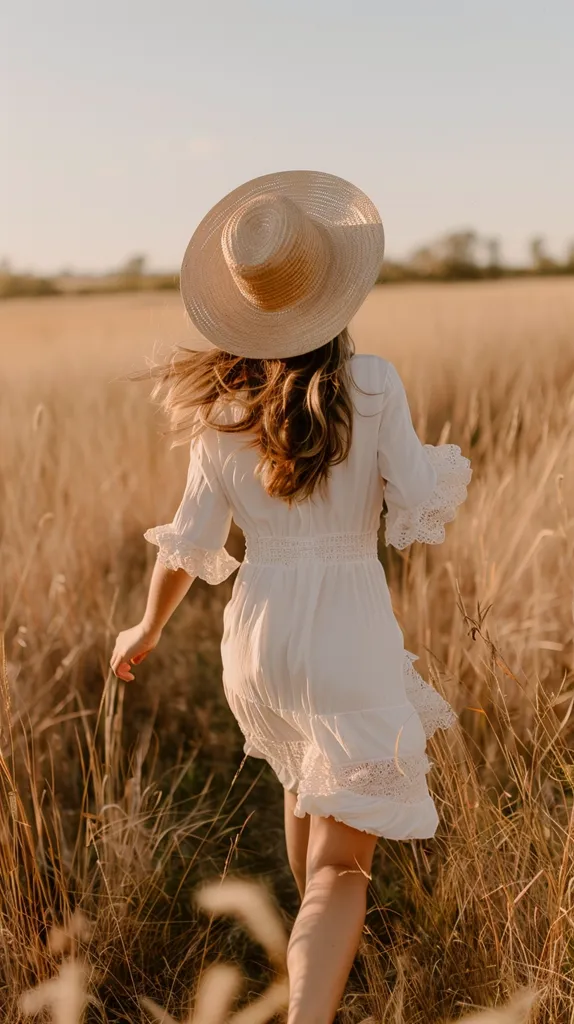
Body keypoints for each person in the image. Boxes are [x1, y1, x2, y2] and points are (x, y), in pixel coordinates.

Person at [110, 170, 472, 1024]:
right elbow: (419, 498)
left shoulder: (221, 410)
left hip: (260, 645)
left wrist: (146, 625)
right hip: (345, 635)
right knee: (341, 874)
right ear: (335, 292)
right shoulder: (373, 383)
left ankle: (307, 988)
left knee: (307, 804)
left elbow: (191, 543)